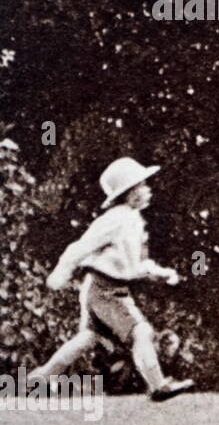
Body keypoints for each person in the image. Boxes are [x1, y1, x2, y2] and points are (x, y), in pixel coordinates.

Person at [32, 157, 195, 402]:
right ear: (129, 193)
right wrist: (60, 273)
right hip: (105, 288)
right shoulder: (115, 219)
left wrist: (162, 273)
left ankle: (40, 378)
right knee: (141, 331)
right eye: (142, 185)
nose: (148, 189)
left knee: (87, 338)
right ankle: (158, 385)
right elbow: (80, 247)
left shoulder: (133, 220)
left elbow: (134, 265)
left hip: (103, 287)